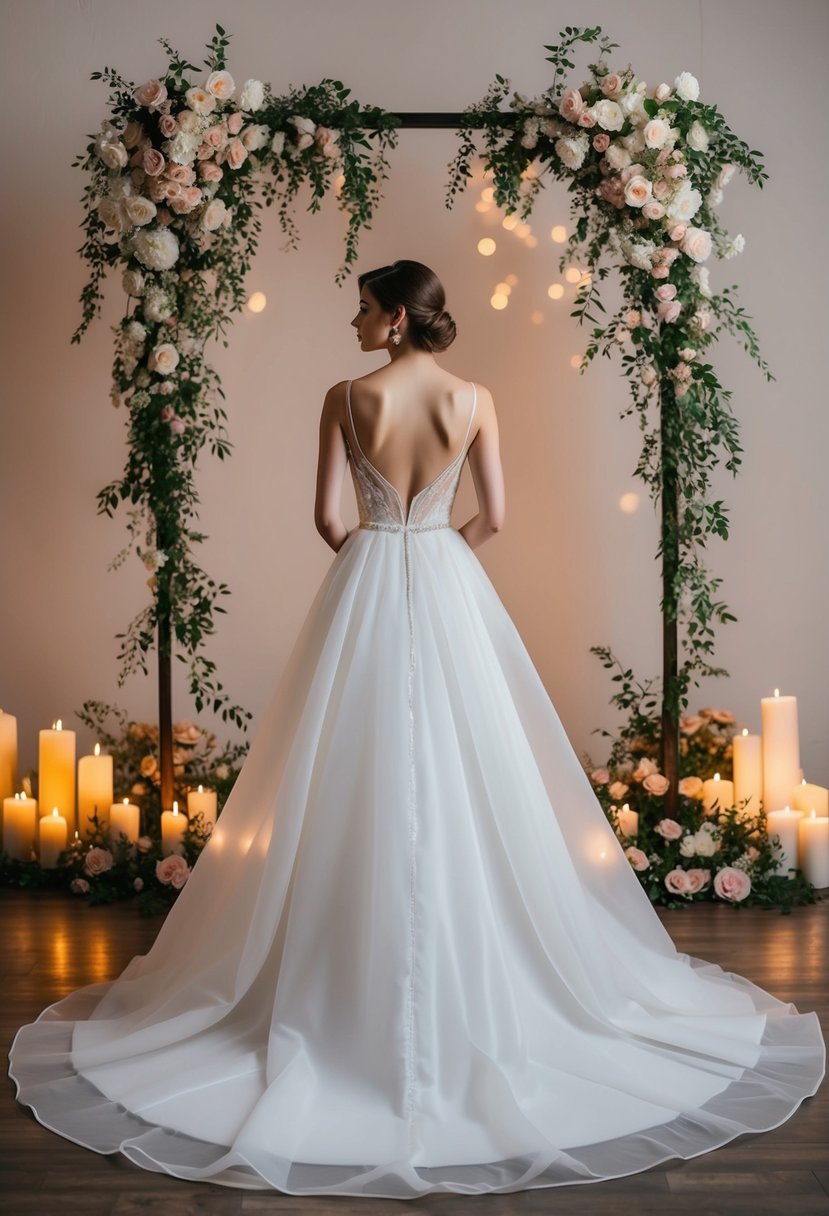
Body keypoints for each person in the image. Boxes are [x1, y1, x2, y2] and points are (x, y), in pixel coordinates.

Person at [8, 259, 825, 1200]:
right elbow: (499, 517)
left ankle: (331, 987)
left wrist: (377, 555)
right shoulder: (473, 397)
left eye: (362, 306)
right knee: (469, 777)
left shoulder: (344, 396)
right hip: (447, 579)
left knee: (341, 778)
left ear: (396, 319)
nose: (353, 320)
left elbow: (325, 517)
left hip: (366, 578)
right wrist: (437, 556)